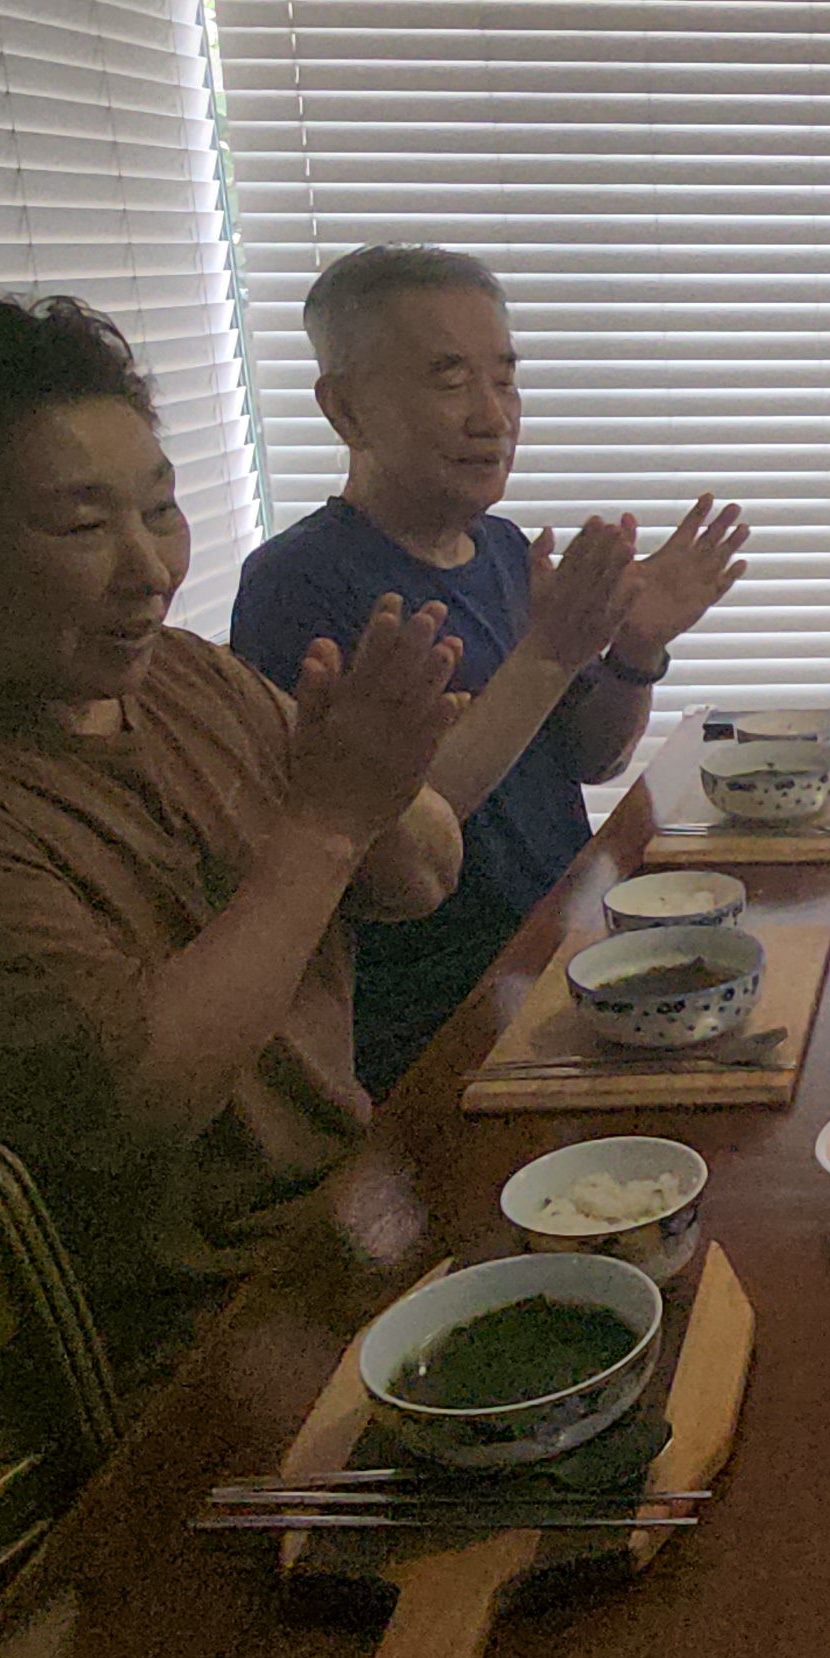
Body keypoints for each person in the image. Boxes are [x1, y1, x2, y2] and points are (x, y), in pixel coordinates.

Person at [0, 296, 466, 1370]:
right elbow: (134, 1106)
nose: (150, 568)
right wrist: (328, 826)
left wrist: (377, 783)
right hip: (181, 1341)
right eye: (82, 526)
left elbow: (423, 878)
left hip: (349, 1223)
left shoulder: (181, 675)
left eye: (160, 507)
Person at [232, 245, 748, 1096]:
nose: (492, 415)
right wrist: (548, 654)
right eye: (449, 379)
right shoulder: (300, 583)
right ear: (345, 409)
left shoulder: (504, 550)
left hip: (570, 955)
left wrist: (633, 651)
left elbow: (589, 757)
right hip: (438, 1013)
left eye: (504, 379)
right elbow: (383, 839)